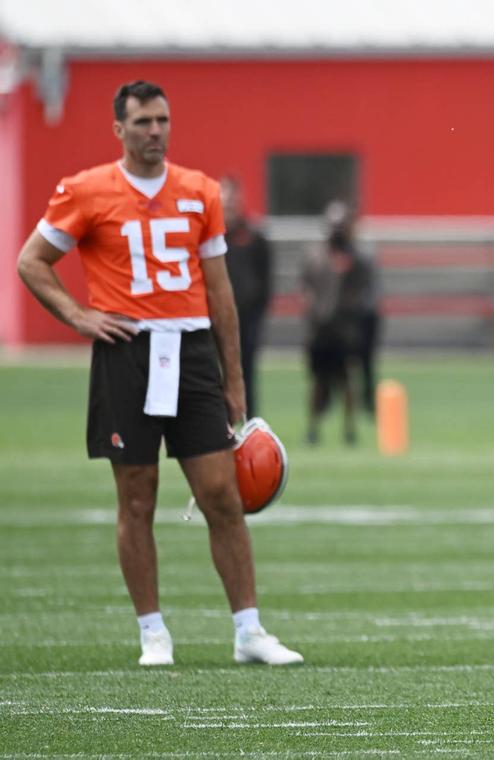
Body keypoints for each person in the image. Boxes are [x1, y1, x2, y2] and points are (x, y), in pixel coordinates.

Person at [15, 80, 302, 667]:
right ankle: (153, 632)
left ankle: (248, 630)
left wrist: (235, 377)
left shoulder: (199, 191)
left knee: (221, 494)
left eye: (162, 120)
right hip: (129, 352)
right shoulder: (87, 189)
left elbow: (219, 289)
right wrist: (77, 314)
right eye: (143, 121)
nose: (155, 131)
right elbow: (31, 261)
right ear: (119, 128)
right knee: (137, 499)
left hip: (192, 350)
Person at [300, 205, 373, 445]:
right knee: (319, 381)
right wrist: (314, 310)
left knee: (346, 381)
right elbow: (306, 287)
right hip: (320, 329)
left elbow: (362, 289)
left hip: (344, 330)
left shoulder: (356, 258)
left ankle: (349, 428)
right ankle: (313, 428)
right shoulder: (316, 255)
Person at [220, 175, 273, 418]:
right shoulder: (210, 235)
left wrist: (258, 313)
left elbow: (265, 280)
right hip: (214, 319)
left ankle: (249, 421)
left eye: (233, 196)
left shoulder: (254, 236)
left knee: (246, 371)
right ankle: (219, 422)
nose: (229, 202)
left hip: (245, 319)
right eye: (225, 196)